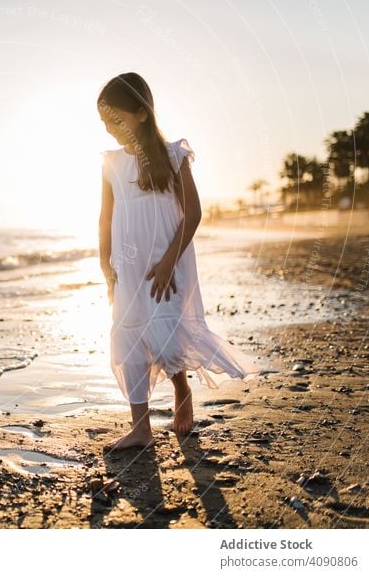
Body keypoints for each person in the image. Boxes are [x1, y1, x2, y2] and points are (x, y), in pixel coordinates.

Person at [96, 72, 260, 452]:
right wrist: (105, 266)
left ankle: (181, 390)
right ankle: (140, 428)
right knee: (131, 333)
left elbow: (193, 212)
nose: (108, 129)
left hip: (168, 260)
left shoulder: (173, 156)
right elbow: (105, 218)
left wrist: (170, 259)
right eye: (103, 122)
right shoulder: (110, 164)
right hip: (128, 265)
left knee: (168, 335)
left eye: (115, 120)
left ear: (140, 113)